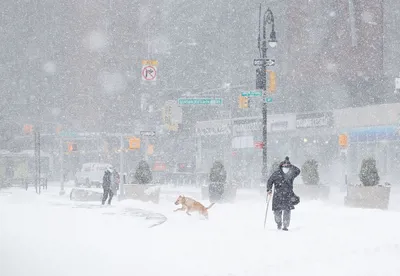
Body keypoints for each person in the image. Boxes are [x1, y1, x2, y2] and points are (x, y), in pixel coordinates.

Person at [267, 157, 300, 231]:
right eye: (284, 165)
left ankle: (285, 226)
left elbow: (298, 171)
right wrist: (269, 189)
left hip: (288, 195)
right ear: (281, 166)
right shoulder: (276, 173)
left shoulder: (291, 173)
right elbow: (270, 181)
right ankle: (279, 223)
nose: (286, 167)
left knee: (287, 211)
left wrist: (291, 165)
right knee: (277, 212)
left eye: (287, 166)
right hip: (277, 196)